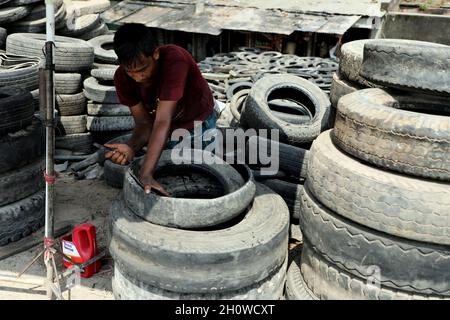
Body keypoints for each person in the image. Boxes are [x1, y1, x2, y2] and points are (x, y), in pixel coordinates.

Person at [105, 23, 216, 196]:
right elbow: (144, 123)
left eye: (142, 69)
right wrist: (131, 147)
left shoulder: (175, 60)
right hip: (165, 128)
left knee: (202, 174)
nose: (137, 77)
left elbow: (162, 120)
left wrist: (146, 174)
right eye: (130, 71)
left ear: (155, 53)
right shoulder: (122, 78)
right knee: (170, 173)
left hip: (197, 121)